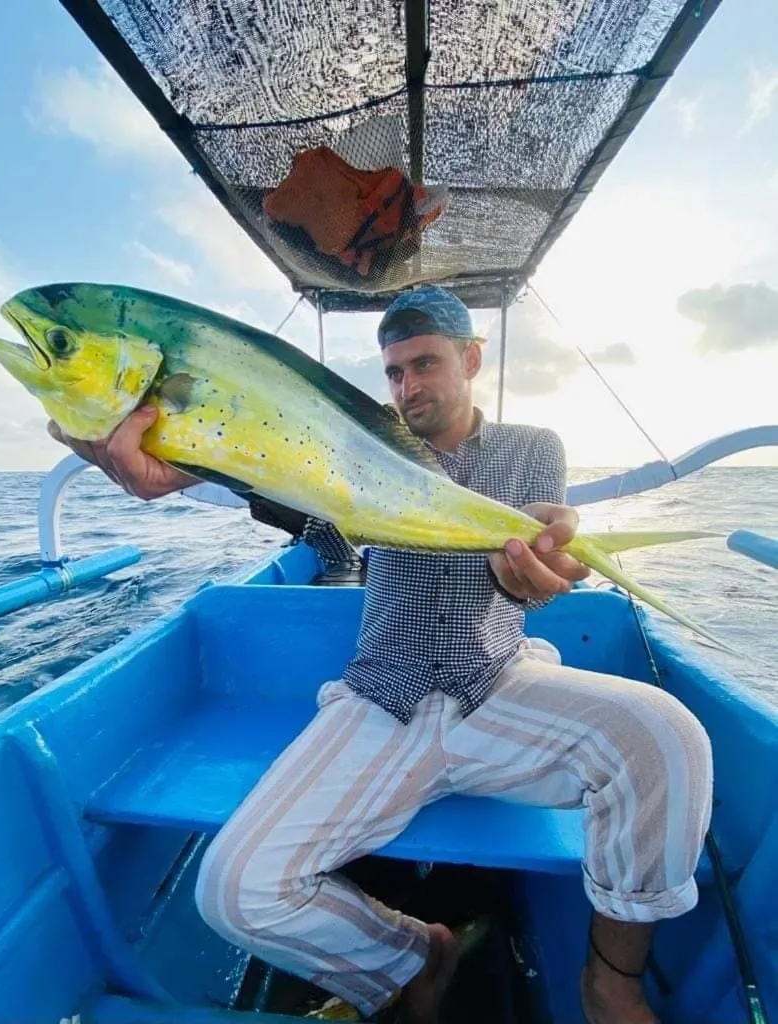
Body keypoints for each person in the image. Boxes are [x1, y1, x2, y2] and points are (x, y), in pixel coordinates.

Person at [49, 285, 713, 1024]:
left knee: (670, 736)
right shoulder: (351, 443)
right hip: (382, 696)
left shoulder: (534, 448)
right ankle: (411, 955)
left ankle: (611, 980)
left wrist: (531, 570)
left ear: (471, 358)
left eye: (424, 364)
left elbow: (527, 584)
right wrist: (189, 458)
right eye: (394, 372)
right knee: (232, 889)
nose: (407, 387)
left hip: (497, 681)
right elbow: (269, 472)